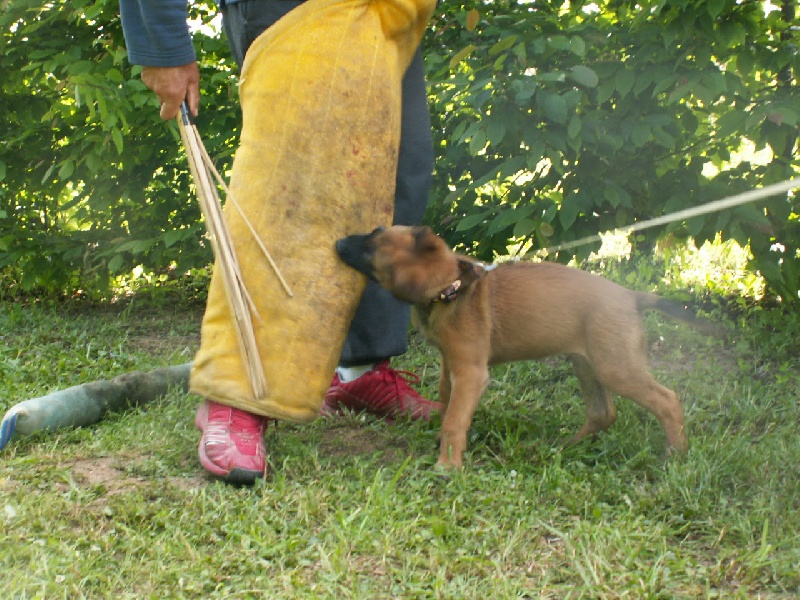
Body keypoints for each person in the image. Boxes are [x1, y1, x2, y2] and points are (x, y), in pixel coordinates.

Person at [119, 0, 439, 484]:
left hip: (390, 12)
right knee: (287, 197)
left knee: (392, 183)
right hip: (293, 11)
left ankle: (360, 370)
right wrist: (161, 45)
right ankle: (237, 395)